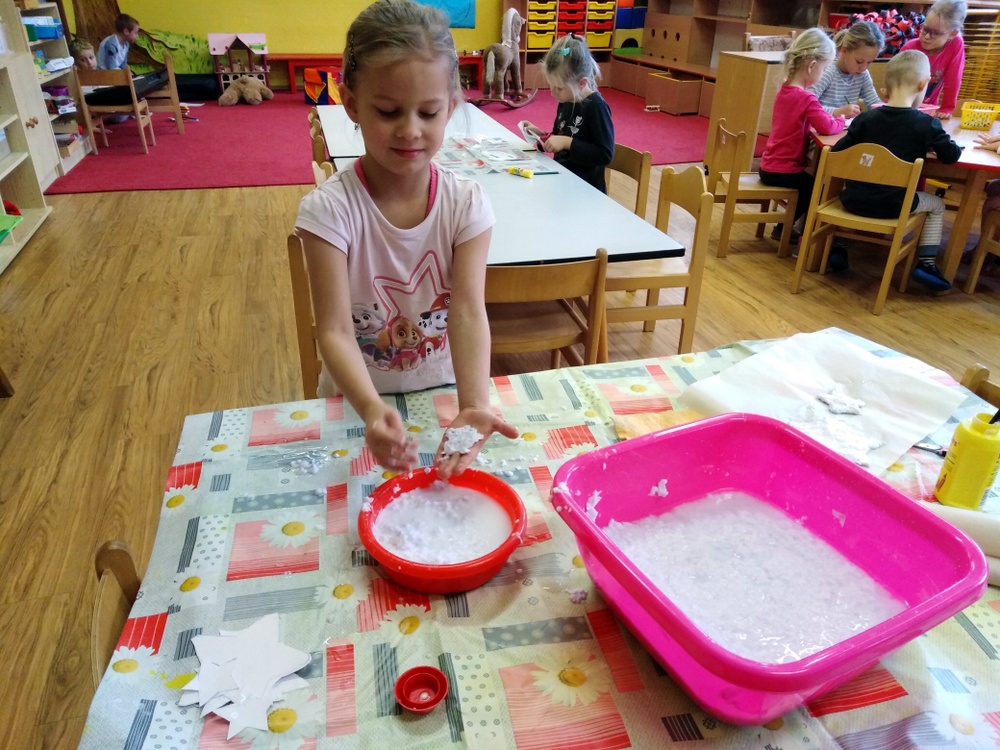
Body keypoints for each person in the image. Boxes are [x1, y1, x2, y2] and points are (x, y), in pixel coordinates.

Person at [294, 0, 518, 478]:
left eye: (429, 112)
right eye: (389, 111)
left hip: (442, 396)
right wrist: (372, 410)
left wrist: (474, 403)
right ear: (351, 103)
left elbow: (467, 311)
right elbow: (334, 330)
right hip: (355, 403)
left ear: (450, 108)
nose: (410, 130)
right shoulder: (329, 211)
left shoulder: (466, 205)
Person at [831, 50, 961, 294]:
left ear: (885, 89)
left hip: (854, 200)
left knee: (858, 189)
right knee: (937, 205)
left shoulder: (865, 119)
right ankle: (926, 264)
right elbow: (951, 155)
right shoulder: (926, 123)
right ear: (923, 84)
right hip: (896, 206)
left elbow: (838, 154)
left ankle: (839, 248)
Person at [759, 28, 846, 262]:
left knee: (808, 184)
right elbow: (827, 126)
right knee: (814, 187)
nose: (823, 73)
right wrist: (841, 120)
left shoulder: (786, 89)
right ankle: (788, 231)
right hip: (783, 170)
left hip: (769, 166)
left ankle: (784, 227)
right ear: (812, 66)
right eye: (824, 69)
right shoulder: (807, 98)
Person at [520, 33, 614, 192]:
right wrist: (543, 137)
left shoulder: (596, 107)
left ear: (582, 83)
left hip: (586, 192)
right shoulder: (566, 100)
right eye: (551, 86)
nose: (552, 93)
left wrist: (567, 142)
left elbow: (605, 154)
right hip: (562, 183)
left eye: (559, 88)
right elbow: (562, 137)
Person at [899, 0, 967, 119]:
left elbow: (954, 78)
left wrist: (947, 108)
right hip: (902, 106)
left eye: (936, 33)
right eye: (925, 29)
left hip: (928, 109)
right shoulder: (909, 48)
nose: (926, 37)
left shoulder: (956, 43)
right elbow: (896, 82)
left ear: (952, 34)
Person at [810, 21, 885, 118]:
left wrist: (887, 110)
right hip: (822, 126)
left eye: (869, 62)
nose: (863, 68)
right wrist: (837, 112)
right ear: (844, 51)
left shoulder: (862, 74)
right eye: (859, 61)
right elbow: (807, 104)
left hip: (844, 126)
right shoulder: (828, 71)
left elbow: (873, 102)